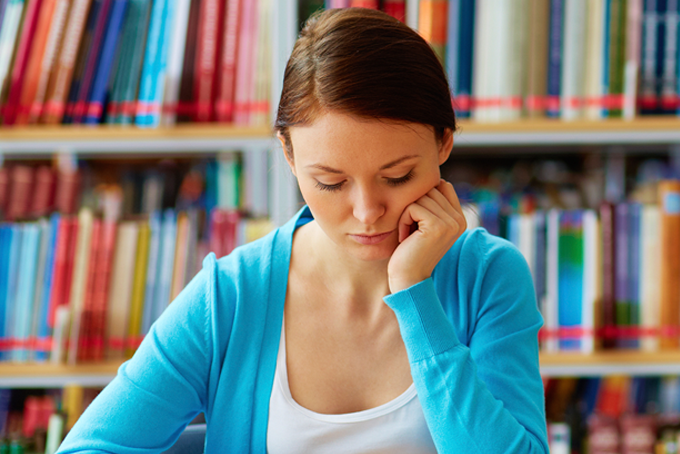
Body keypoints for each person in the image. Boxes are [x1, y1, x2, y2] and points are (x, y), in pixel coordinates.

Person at [57, 7, 548, 454]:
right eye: (330, 182)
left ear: (444, 142)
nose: (366, 212)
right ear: (289, 155)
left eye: (396, 177)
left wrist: (417, 295)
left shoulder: (489, 277)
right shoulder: (230, 296)